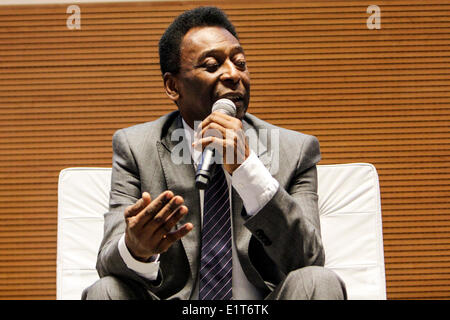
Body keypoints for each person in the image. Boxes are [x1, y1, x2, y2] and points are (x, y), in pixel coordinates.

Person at [82, 6, 347, 300]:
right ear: (173, 86)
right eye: (212, 66)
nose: (234, 75)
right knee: (105, 291)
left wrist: (248, 170)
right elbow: (107, 264)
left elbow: (308, 259)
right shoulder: (135, 148)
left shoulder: (295, 150)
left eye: (241, 62)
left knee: (318, 281)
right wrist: (136, 250)